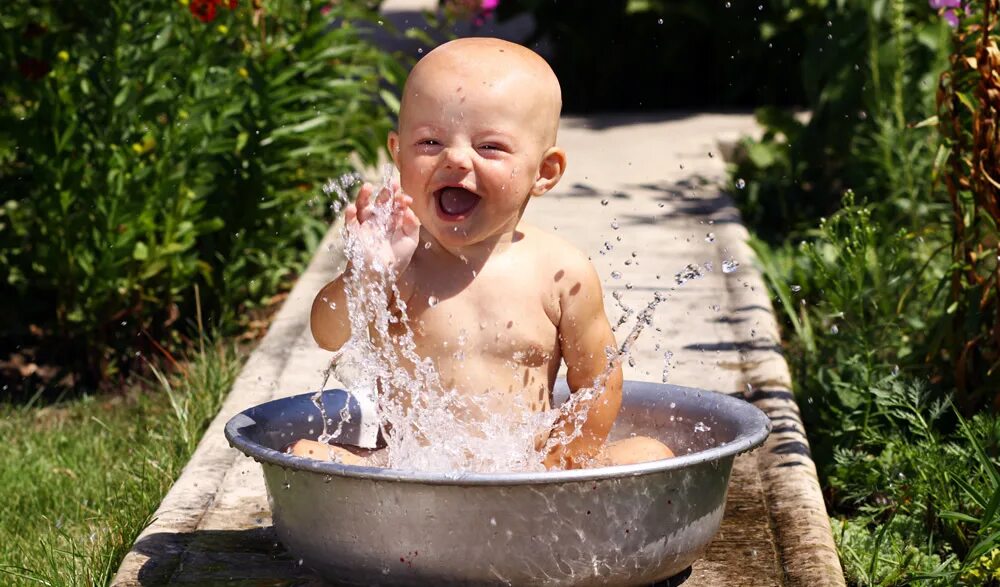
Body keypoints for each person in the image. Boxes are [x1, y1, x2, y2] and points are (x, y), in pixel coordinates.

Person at [291, 37, 672, 469]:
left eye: (488, 146)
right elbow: (328, 334)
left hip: (524, 470)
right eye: (430, 142)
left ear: (544, 173)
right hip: (410, 471)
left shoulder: (560, 272)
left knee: (650, 455)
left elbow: (598, 382)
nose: (455, 158)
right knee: (307, 456)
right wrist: (366, 276)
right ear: (397, 155)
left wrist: (563, 464)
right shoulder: (399, 265)